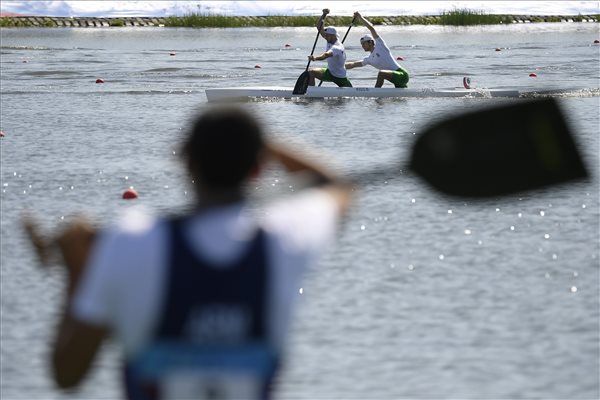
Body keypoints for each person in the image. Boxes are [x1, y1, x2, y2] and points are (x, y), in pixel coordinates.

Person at [28, 107, 352, 399]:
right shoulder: (285, 241)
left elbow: (66, 375)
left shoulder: (130, 240)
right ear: (258, 169)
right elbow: (336, 185)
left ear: (186, 160)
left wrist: (77, 272)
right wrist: (255, 141)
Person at [345, 12, 410, 88]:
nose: (362, 46)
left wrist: (360, 17)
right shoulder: (369, 59)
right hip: (395, 79)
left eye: (363, 43)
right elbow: (352, 64)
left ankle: (376, 94)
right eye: (361, 44)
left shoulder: (380, 46)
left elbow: (371, 28)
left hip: (402, 75)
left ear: (370, 42)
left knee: (381, 73)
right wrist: (338, 66)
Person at [307, 8, 353, 88]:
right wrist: (324, 15)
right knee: (311, 72)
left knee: (351, 94)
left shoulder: (337, 47)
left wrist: (315, 58)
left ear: (332, 36)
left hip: (340, 76)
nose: (325, 36)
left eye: (327, 35)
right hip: (329, 72)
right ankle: (311, 92)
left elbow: (326, 55)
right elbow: (319, 27)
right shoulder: (329, 39)